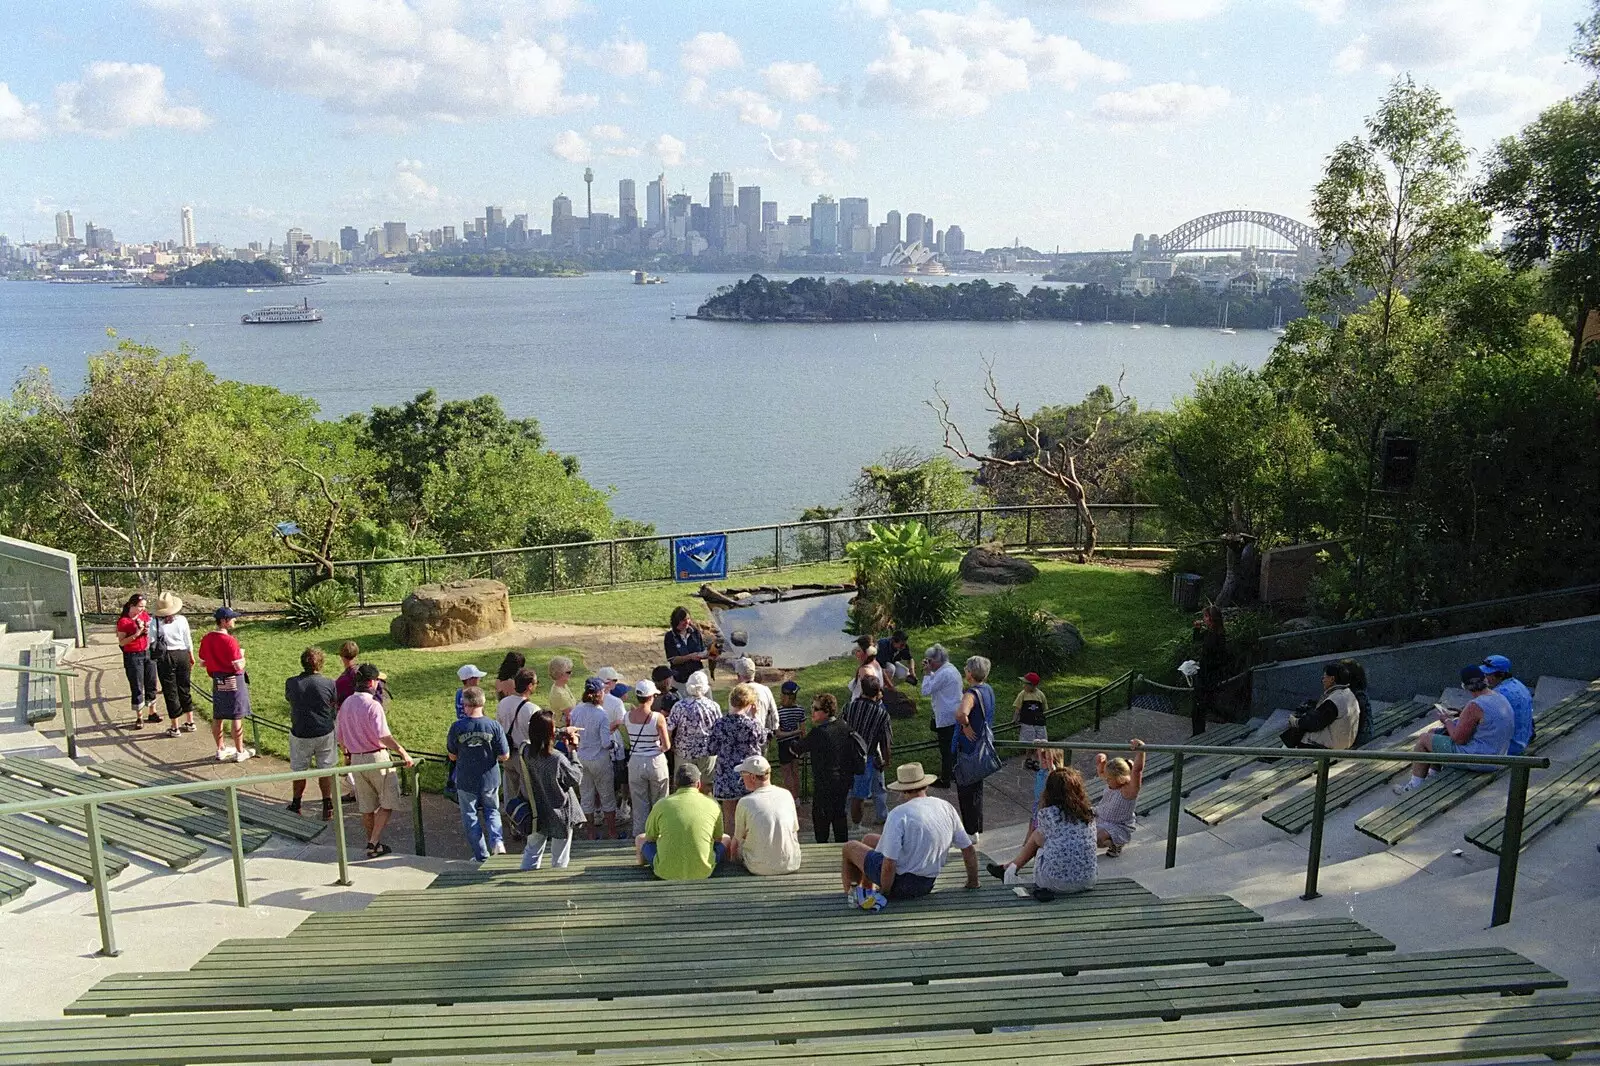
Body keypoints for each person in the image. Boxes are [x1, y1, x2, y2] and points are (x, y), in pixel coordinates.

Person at [840, 762, 980, 911]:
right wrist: (973, 881)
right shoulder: (946, 807)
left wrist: (884, 892)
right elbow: (968, 849)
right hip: (927, 883)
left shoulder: (899, 814)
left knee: (850, 848)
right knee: (869, 839)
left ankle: (853, 897)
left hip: (900, 883)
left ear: (903, 790)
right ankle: (867, 889)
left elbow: (889, 864)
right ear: (925, 785)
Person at [334, 663, 415, 859]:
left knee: (367, 806)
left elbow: (340, 736)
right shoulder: (373, 705)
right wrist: (402, 751)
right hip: (377, 757)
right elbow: (383, 736)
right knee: (388, 800)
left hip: (356, 760)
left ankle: (373, 844)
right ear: (371, 682)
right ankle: (373, 841)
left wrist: (347, 754)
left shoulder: (346, 704)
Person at [1395, 665, 1515, 795]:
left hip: (1483, 760)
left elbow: (1458, 739)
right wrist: (1463, 715)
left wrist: (1446, 720)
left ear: (1464, 686)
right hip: (1499, 755)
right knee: (1433, 734)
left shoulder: (1475, 705)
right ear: (1485, 679)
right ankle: (1433, 774)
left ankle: (1413, 787)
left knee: (1424, 739)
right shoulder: (1499, 697)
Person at [988, 766, 1098, 899]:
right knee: (1048, 840)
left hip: (1054, 883)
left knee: (1037, 837)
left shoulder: (1048, 814)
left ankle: (1011, 868)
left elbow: (1042, 840)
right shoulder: (1089, 814)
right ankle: (1009, 867)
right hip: (1088, 880)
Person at [447, 687, 510, 861]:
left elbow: (452, 755)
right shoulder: (494, 726)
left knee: (470, 816)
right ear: (483, 703)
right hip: (490, 777)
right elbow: (505, 755)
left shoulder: (457, 727)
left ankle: (481, 855)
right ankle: (497, 841)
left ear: (465, 705)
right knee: (492, 810)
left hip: (466, 779)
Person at [519, 710, 586, 870]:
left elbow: (539, 734)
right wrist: (573, 751)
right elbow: (575, 778)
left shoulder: (525, 751)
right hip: (560, 811)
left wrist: (561, 731)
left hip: (536, 809)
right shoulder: (557, 758)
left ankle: (525, 879)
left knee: (532, 851)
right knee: (560, 857)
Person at [636, 763, 727, 880]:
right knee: (727, 839)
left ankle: (641, 866)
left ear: (675, 784)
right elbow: (718, 838)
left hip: (665, 872)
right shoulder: (712, 804)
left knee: (640, 839)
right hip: (704, 871)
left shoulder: (661, 804)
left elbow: (650, 838)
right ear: (698, 784)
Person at [284, 646, 339, 819]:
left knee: (300, 770)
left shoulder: (291, 682)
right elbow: (333, 702)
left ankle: (296, 803)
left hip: (300, 733)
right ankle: (327, 806)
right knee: (326, 768)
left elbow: (289, 698)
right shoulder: (329, 683)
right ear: (321, 664)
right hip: (324, 731)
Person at [707, 682, 769, 827]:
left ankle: (731, 847)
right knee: (750, 816)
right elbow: (763, 740)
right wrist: (755, 717)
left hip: (726, 773)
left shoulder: (720, 724)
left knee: (729, 816)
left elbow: (711, 749)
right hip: (749, 774)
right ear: (749, 703)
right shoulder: (753, 725)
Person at [729, 755, 801, 875]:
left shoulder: (745, 802)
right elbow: (794, 830)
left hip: (758, 867)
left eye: (743, 774)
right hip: (791, 863)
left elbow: (737, 840)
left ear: (752, 777)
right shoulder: (786, 795)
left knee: (739, 841)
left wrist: (732, 858)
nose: (741, 778)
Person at [198, 607, 252, 763]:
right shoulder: (230, 641)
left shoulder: (207, 638)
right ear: (224, 621)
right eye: (232, 618)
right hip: (233, 680)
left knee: (219, 714)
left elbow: (203, 662)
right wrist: (242, 657)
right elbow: (238, 666)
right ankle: (240, 751)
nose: (234, 620)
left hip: (218, 680)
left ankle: (220, 749)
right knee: (236, 715)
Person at [570, 678, 620, 840]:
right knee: (607, 796)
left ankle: (590, 833)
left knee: (586, 796)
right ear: (599, 693)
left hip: (582, 757)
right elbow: (605, 743)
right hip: (600, 759)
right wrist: (614, 744)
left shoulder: (577, 710)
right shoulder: (601, 714)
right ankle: (612, 832)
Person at [951, 655, 995, 838]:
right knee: (976, 790)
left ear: (970, 673)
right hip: (981, 748)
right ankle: (976, 828)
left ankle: (970, 832)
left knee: (966, 792)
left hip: (968, 748)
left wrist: (966, 726)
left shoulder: (971, 694)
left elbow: (961, 714)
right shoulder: (988, 690)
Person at [843, 673, 893, 828]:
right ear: (878, 692)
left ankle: (851, 821)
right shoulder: (881, 714)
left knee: (852, 792)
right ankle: (858, 825)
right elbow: (885, 741)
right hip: (869, 757)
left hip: (848, 755)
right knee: (863, 794)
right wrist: (887, 759)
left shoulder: (849, 707)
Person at [804, 693, 855, 844]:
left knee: (821, 819)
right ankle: (843, 849)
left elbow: (797, 748)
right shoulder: (844, 727)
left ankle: (821, 851)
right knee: (839, 815)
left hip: (824, 783)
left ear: (826, 712)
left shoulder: (818, 733)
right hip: (843, 780)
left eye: (815, 708)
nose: (812, 711)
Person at [625, 678, 673, 835]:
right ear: (651, 697)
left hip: (636, 762)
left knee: (639, 805)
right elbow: (666, 746)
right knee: (660, 802)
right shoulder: (657, 717)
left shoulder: (628, 716)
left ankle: (640, 837)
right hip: (655, 761)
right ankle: (660, 834)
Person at [1280, 661, 1361, 750]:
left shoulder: (1334, 700)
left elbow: (1314, 723)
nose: (1322, 680)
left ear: (1332, 679)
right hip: (1345, 742)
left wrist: (1295, 721)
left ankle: (1277, 755)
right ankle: (1279, 753)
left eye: (1324, 677)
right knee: (1301, 726)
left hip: (1332, 748)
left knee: (1299, 730)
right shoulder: (1348, 693)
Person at [495, 667, 540, 825]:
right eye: (535, 683)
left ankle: (514, 823)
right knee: (529, 793)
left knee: (512, 792)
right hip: (524, 756)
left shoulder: (503, 703)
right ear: (529, 686)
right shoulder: (532, 709)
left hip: (507, 752)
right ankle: (529, 823)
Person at [149, 591, 196, 737]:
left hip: (166, 657)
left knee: (170, 690)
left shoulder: (155, 622)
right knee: (184, 687)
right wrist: (191, 655)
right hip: (182, 654)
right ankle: (190, 720)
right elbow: (187, 639)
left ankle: (175, 726)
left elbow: (151, 642)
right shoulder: (182, 620)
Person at [920, 644, 964, 789]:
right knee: (952, 748)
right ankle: (954, 773)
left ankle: (945, 779)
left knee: (946, 750)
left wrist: (926, 674)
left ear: (936, 661)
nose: (928, 664)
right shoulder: (949, 669)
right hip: (953, 713)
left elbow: (926, 690)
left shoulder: (944, 673)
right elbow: (937, 682)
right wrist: (931, 673)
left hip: (946, 716)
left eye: (930, 661)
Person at [666, 670, 722, 781]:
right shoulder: (713, 706)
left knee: (683, 786)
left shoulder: (679, 706)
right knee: (706, 787)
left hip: (684, 752)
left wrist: (671, 745)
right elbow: (719, 729)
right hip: (707, 751)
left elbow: (669, 729)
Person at [1095, 740, 1146, 856]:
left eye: (1109, 779)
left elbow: (1137, 771)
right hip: (1101, 816)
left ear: (1120, 778)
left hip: (1117, 825)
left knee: (1095, 837)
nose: (1106, 781)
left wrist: (1141, 751)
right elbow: (1101, 772)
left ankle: (1115, 844)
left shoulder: (1128, 791)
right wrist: (1101, 760)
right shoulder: (1112, 783)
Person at [116, 593, 160, 728]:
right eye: (140, 606)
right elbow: (122, 642)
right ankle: (139, 716)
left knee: (151, 682)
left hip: (147, 652)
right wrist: (136, 634)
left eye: (144, 607)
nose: (142, 609)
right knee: (137, 684)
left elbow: (149, 625)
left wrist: (146, 629)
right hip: (133, 655)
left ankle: (152, 711)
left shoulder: (144, 615)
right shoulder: (123, 621)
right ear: (132, 606)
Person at [1482, 655, 1535, 755]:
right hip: (1523, 739)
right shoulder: (1518, 684)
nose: (1484, 678)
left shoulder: (1499, 693)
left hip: (1510, 747)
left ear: (1501, 675)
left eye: (1488, 674)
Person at [1192, 606, 1228, 735]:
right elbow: (1197, 640)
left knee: (1200, 705)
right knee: (1199, 705)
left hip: (1209, 674)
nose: (1204, 619)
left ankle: (1199, 732)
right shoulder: (1210, 633)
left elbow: (1217, 657)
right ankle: (1198, 731)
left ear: (1212, 618)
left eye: (1206, 617)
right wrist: (1197, 629)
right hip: (1205, 671)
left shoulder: (1217, 637)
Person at [774, 679, 806, 797]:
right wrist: (797, 733)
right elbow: (803, 731)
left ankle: (790, 797)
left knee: (786, 773)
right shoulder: (800, 710)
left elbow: (778, 734)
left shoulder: (778, 712)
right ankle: (797, 797)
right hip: (796, 743)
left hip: (784, 744)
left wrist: (792, 732)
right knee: (795, 772)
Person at [334, 640, 387, 709]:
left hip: (351, 712)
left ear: (341, 656)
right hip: (370, 708)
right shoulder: (366, 672)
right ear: (356, 655)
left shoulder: (341, 680)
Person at [665, 606, 709, 687]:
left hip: (698, 676)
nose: (687, 622)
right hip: (680, 678)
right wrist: (689, 657)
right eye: (683, 620)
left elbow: (702, 650)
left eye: (688, 619)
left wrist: (708, 655)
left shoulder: (695, 632)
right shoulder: (670, 636)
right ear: (676, 621)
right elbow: (673, 660)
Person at [733, 657, 779, 733]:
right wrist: (770, 733)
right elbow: (774, 717)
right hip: (761, 736)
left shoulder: (736, 692)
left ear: (738, 675)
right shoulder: (765, 690)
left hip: (741, 739)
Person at [1013, 672, 1048, 770]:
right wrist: (1015, 719)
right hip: (1027, 723)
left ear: (1032, 685)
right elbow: (1017, 708)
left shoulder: (1040, 695)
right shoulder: (1022, 694)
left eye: (1026, 684)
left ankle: (1037, 759)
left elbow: (1044, 708)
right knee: (1029, 741)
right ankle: (1028, 758)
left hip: (1039, 723)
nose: (1024, 686)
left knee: (1039, 742)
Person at [1342, 658, 1374, 748]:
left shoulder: (1356, 694)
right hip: (1366, 731)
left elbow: (1360, 717)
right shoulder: (1359, 689)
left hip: (1362, 735)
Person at [848, 635, 886, 702]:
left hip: (862, 707)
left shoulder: (865, 670)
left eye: (859, 650)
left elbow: (867, 695)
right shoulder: (876, 663)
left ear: (867, 653)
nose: (856, 653)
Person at [546, 656, 577, 725]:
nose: (571, 674)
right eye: (569, 672)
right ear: (560, 674)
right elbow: (571, 717)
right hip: (564, 729)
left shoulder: (562, 686)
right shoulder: (559, 694)